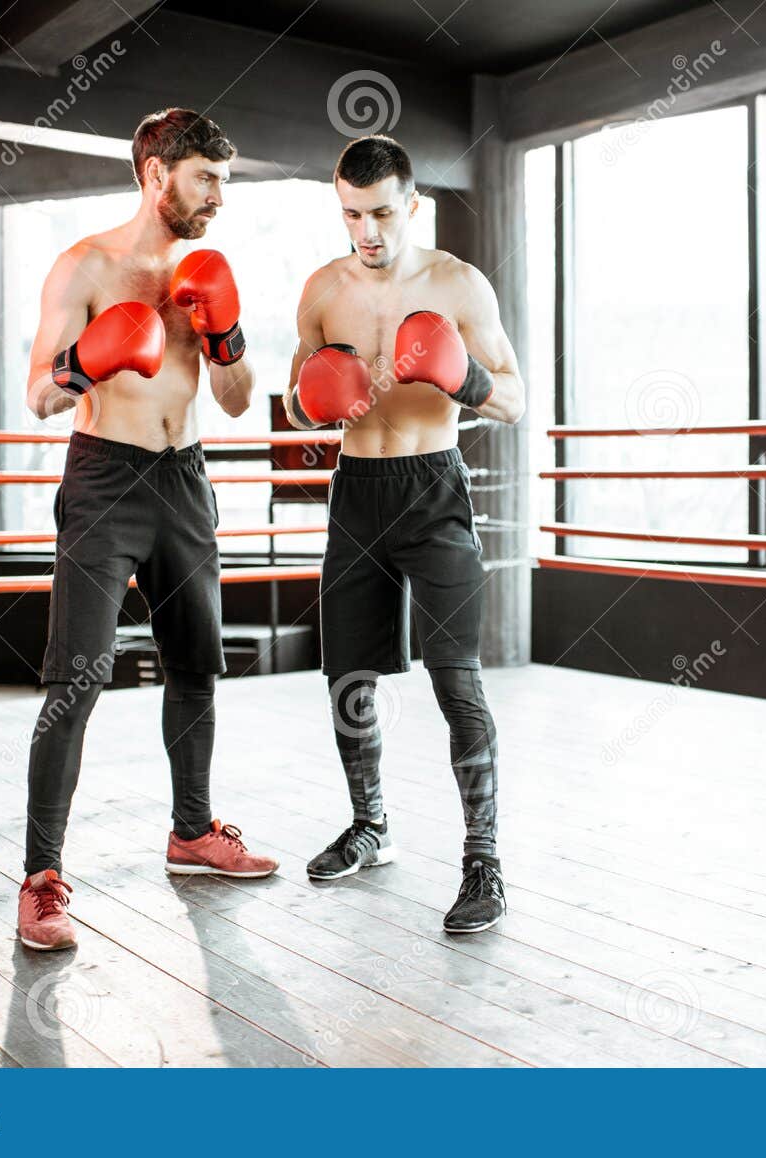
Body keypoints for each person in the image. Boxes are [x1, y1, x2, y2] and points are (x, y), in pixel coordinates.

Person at [16, 108, 277, 952]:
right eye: (207, 180)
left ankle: (193, 833)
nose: (218, 199)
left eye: (224, 183)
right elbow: (40, 397)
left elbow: (235, 402)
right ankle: (43, 879)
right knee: (76, 680)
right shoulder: (85, 265)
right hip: (104, 479)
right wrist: (91, 357)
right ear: (158, 174)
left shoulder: (205, 271)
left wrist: (225, 332)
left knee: (197, 664)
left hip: (185, 479)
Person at [284, 134, 526, 933]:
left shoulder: (459, 284)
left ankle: (484, 862)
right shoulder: (322, 291)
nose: (368, 232)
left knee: (455, 678)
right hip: (356, 489)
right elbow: (295, 397)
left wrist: (463, 377)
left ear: (412, 204)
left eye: (382, 212)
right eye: (352, 213)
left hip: (433, 488)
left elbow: (516, 401)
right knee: (348, 675)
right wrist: (314, 396)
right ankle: (370, 825)